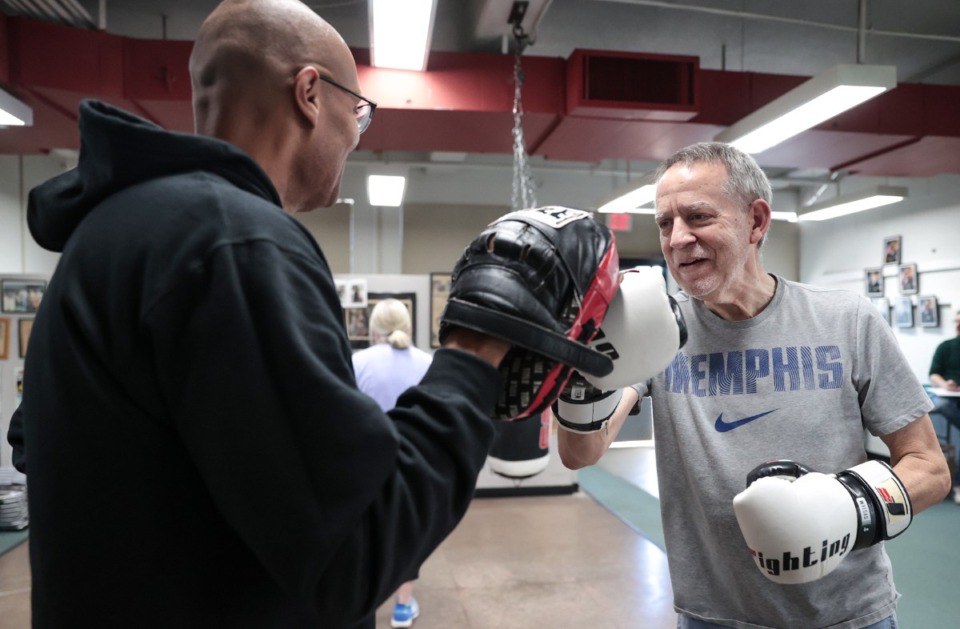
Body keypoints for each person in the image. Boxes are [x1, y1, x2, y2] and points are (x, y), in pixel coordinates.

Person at [10, 1, 517, 626]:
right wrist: (471, 359)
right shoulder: (233, 242)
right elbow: (353, 551)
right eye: (357, 113)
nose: (356, 137)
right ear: (309, 92)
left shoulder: (113, 233)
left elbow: (38, 447)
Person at [558, 142, 951, 629]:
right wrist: (580, 373)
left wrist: (849, 508)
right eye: (664, 223)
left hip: (851, 616)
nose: (677, 238)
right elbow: (582, 452)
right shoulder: (655, 328)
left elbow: (930, 469)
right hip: (714, 617)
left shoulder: (846, 320)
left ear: (756, 222)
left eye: (697, 216)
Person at [351, 299, 433, 627]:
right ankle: (403, 605)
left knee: (365, 534)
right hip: (415, 462)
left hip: (366, 463)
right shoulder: (428, 363)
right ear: (408, 326)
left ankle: (363, 598)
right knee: (408, 533)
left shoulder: (357, 362)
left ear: (373, 329)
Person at [929, 308, 960, 501]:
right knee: (939, 404)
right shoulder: (946, 346)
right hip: (948, 397)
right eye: (956, 321)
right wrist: (945, 385)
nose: (958, 325)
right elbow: (934, 374)